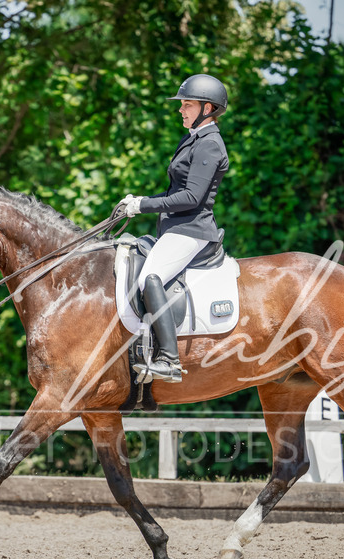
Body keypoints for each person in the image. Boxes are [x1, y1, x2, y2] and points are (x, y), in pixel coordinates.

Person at [113, 73, 230, 383]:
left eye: (187, 105)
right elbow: (175, 191)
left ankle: (169, 360)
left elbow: (191, 197)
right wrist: (138, 202)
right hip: (175, 228)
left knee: (150, 276)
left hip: (192, 229)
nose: (181, 110)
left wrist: (143, 204)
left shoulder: (210, 144)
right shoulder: (193, 138)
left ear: (207, 108)